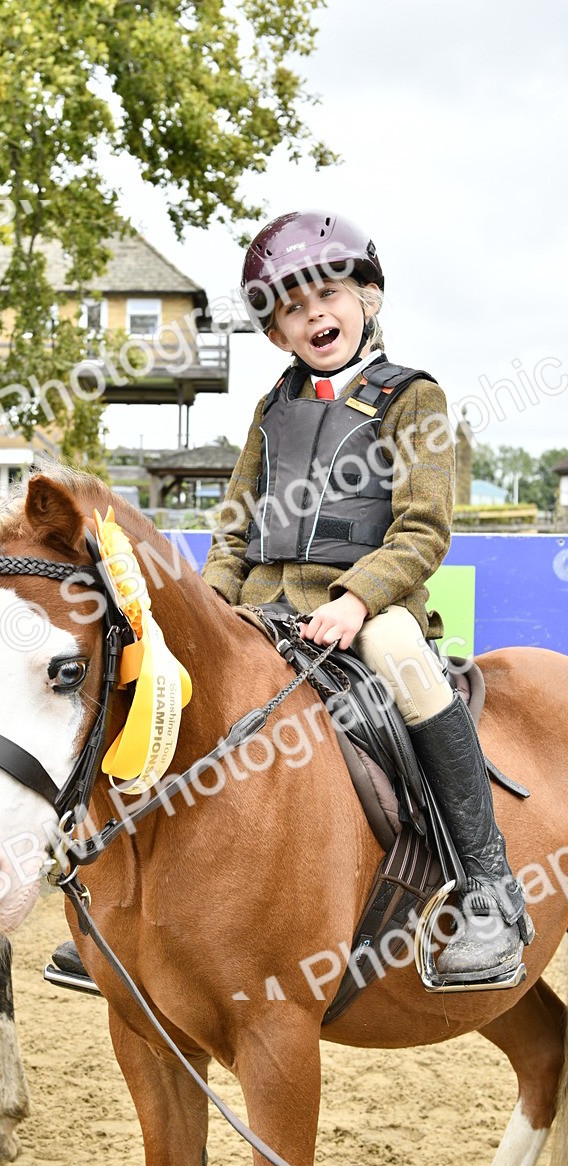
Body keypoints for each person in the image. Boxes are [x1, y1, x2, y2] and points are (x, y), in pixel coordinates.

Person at [200, 209, 533, 987]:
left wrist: (355, 600)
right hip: (261, 608)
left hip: (371, 612)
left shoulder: (414, 398)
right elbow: (234, 525)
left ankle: (488, 888)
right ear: (279, 333)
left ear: (368, 298)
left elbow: (423, 529)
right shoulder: (270, 408)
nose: (316, 313)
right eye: (293, 307)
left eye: (330, 294)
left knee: (401, 661)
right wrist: (211, 603)